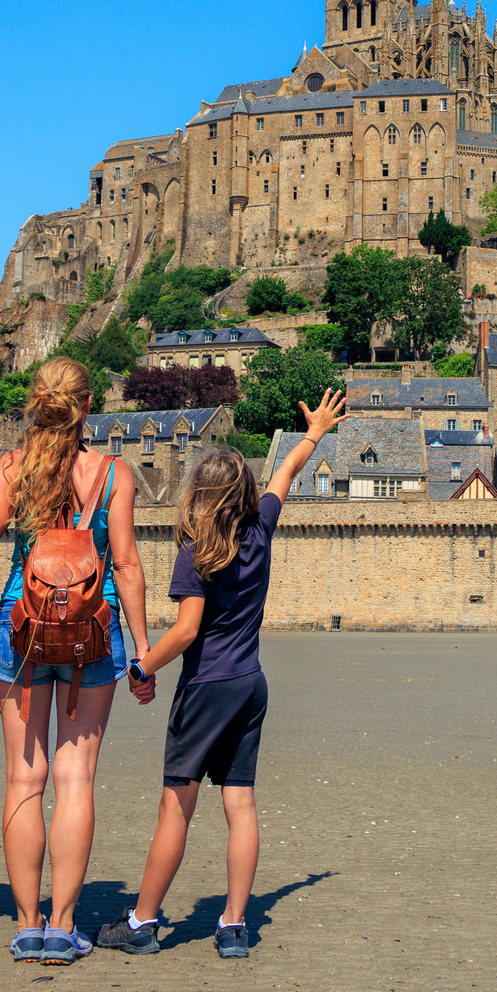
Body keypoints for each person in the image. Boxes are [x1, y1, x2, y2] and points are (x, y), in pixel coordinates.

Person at [96, 388, 347, 960]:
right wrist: (314, 433)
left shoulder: (196, 552)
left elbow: (185, 632)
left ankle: (142, 923)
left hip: (206, 687)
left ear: (198, 494)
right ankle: (234, 925)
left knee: (176, 807)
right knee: (240, 804)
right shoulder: (260, 531)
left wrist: (139, 667)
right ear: (245, 493)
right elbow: (284, 473)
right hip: (250, 684)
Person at [0, 357, 151, 966]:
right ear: (87, 406)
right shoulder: (112, 472)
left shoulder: (15, 467)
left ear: (35, 403)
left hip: (21, 626)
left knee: (24, 779)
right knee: (75, 781)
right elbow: (124, 564)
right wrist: (143, 649)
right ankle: (64, 926)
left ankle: (26, 925)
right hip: (93, 632)